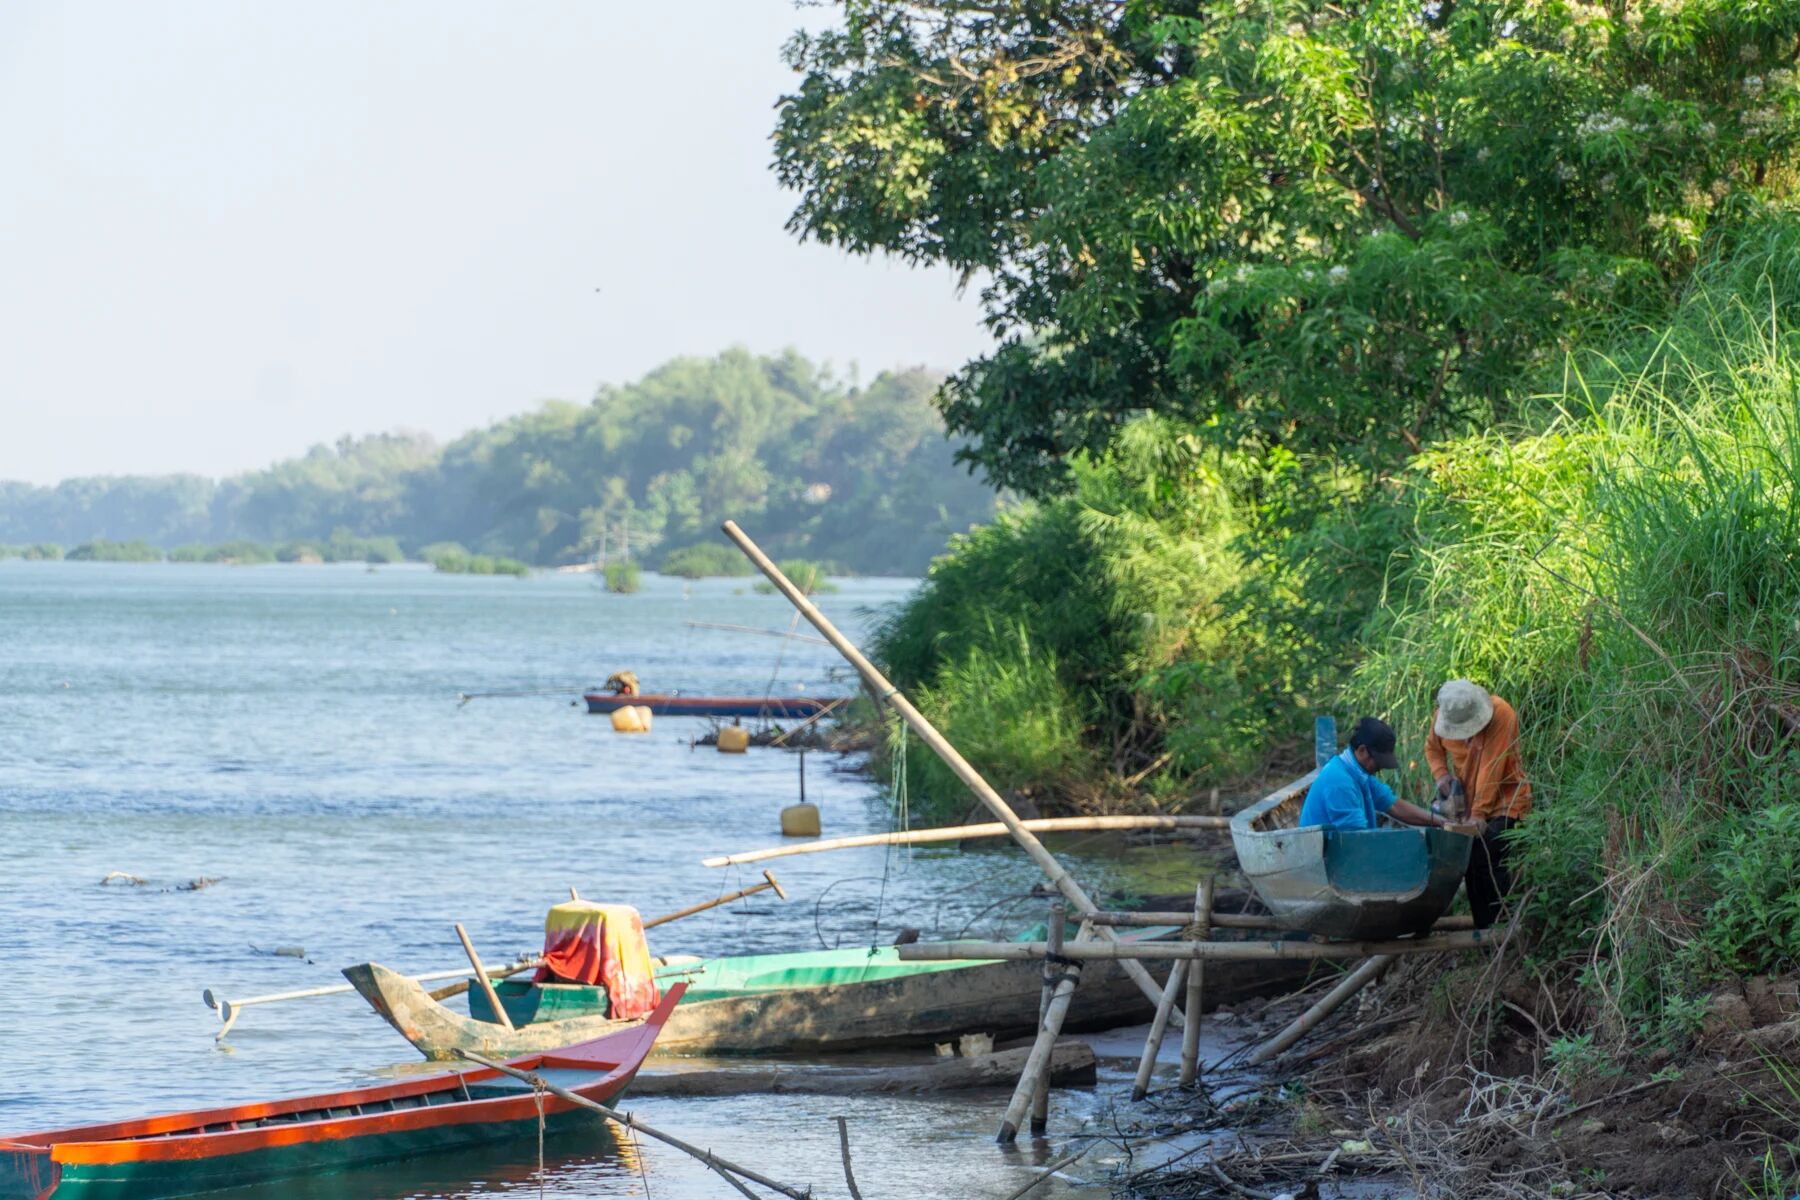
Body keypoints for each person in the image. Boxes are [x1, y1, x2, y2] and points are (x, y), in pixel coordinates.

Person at [1425, 679, 1532, 929]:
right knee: (1469, 862)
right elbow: (1432, 748)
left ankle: (1503, 928)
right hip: (1470, 804)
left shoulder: (1501, 713)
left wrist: (1479, 814)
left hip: (1506, 801)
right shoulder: (1443, 715)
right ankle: (1483, 932)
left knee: (1489, 856)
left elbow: (1491, 768)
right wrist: (1442, 776)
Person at [1299, 716, 1450, 832]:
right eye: (1378, 760)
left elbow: (1394, 806)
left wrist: (1440, 821)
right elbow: (1356, 839)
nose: (1380, 767)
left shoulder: (1359, 774)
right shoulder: (1339, 782)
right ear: (1362, 750)